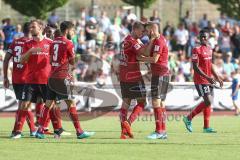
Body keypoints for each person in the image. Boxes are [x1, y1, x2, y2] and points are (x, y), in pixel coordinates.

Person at [35, 21, 95, 139]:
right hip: (62, 77)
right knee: (71, 103)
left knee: (48, 104)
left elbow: (51, 60)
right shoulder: (68, 43)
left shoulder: (53, 42)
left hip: (51, 76)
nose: (73, 33)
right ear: (67, 30)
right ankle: (79, 131)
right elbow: (73, 62)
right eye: (73, 31)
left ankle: (40, 130)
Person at [12, 19, 53, 138]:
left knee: (51, 106)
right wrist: (31, 51)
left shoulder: (50, 43)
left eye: (33, 27)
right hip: (30, 80)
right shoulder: (27, 43)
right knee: (24, 105)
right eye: (30, 27)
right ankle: (18, 132)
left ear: (41, 28)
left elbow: (55, 61)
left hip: (46, 81)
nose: (31, 29)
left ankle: (43, 129)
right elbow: (21, 60)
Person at [183, 29, 223, 133]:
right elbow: (195, 67)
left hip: (209, 79)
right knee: (208, 101)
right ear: (199, 38)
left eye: (205, 37)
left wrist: (217, 77)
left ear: (208, 37)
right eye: (202, 37)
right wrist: (208, 77)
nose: (204, 39)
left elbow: (211, 65)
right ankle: (188, 118)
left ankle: (206, 127)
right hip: (200, 80)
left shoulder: (210, 49)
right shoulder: (196, 50)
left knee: (208, 103)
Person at [118, 21, 153, 139]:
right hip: (133, 76)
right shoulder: (133, 42)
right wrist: (152, 40)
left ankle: (123, 132)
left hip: (123, 75)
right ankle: (128, 123)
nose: (143, 34)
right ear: (136, 29)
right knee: (142, 102)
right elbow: (144, 52)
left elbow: (136, 55)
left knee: (126, 102)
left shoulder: (125, 40)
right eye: (142, 31)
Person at [3, 22, 36, 138]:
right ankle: (17, 131)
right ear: (32, 30)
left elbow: (6, 59)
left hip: (16, 78)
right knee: (25, 105)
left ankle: (33, 130)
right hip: (27, 78)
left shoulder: (15, 42)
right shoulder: (32, 44)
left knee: (23, 105)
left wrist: (5, 77)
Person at [137, 22, 169, 139]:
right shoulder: (157, 40)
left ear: (150, 31)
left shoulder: (159, 41)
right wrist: (144, 55)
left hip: (160, 74)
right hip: (163, 73)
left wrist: (141, 59)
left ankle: (159, 131)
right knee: (161, 102)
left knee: (155, 101)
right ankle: (163, 131)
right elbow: (146, 52)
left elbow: (155, 59)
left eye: (146, 31)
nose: (144, 34)